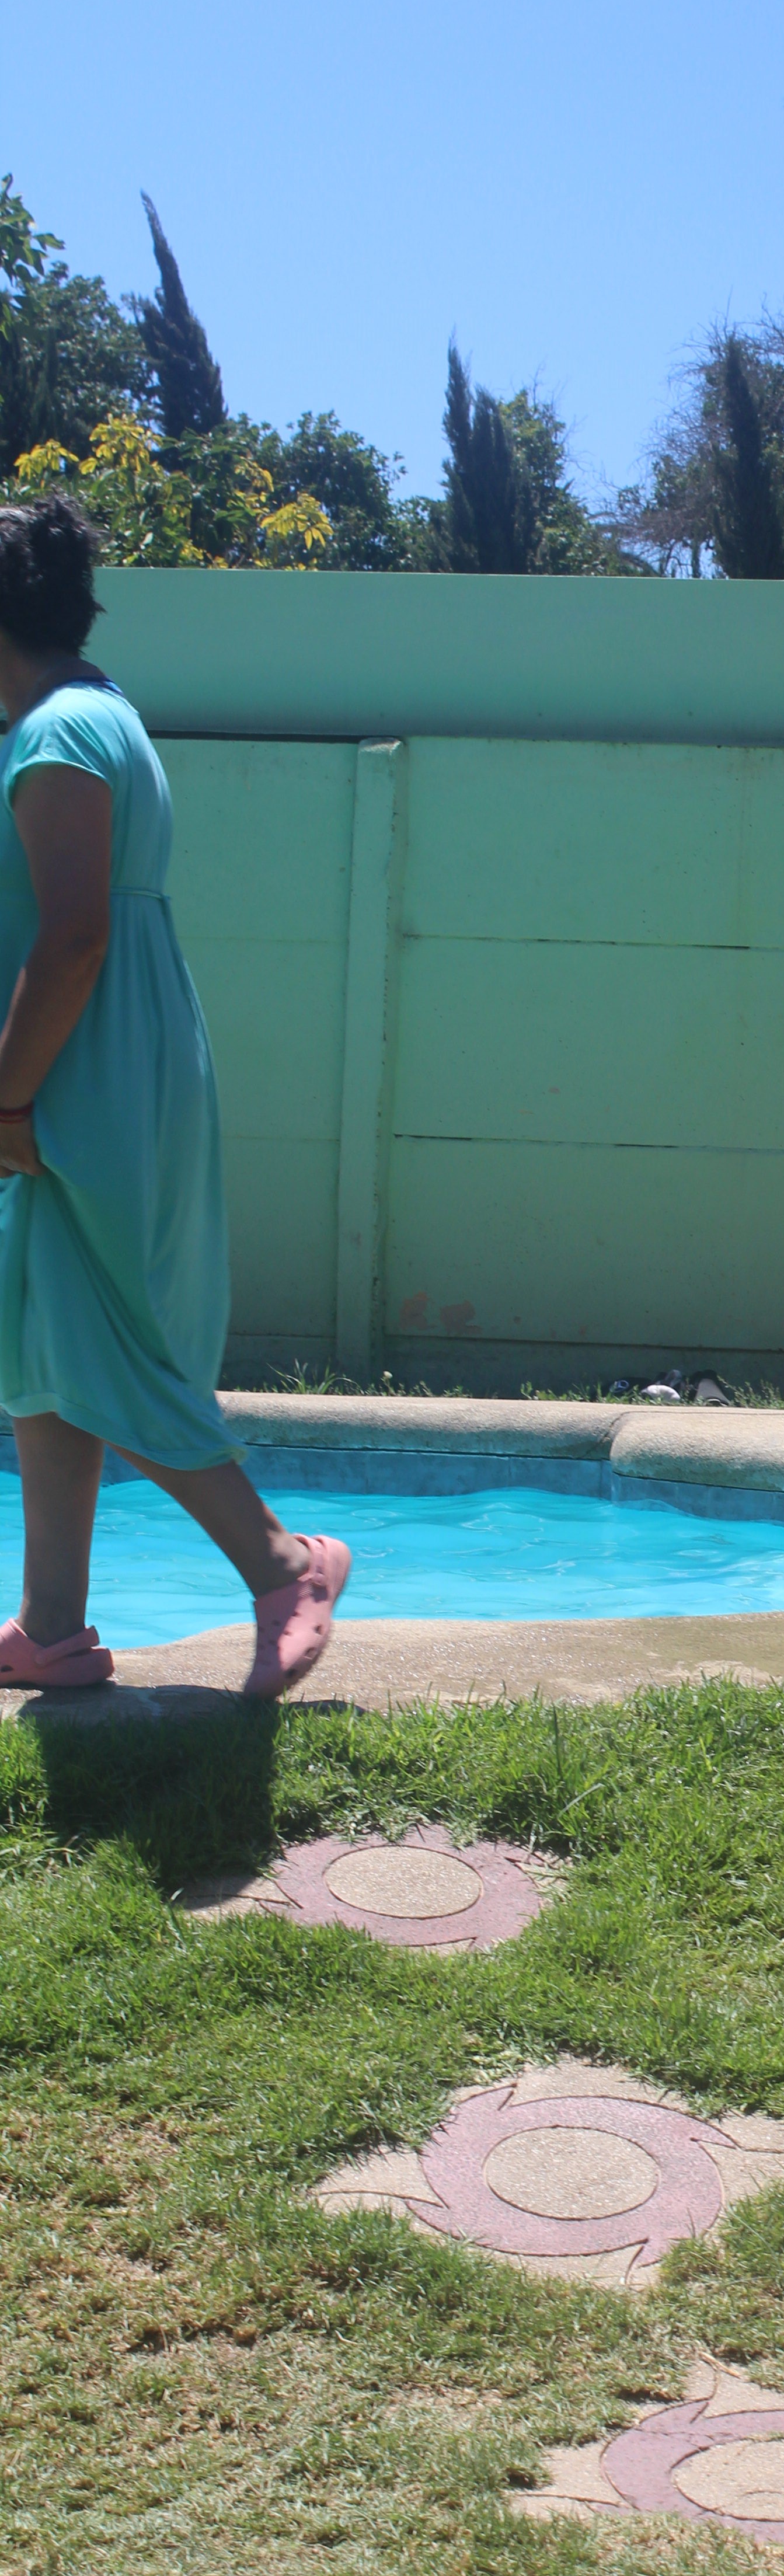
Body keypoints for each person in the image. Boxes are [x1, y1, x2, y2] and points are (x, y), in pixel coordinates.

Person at [0, 496, 347, 1696]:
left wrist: (7, 1102)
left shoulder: (56, 736)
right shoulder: (99, 716)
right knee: (46, 1331)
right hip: (114, 1054)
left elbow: (73, 940)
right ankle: (51, 1627)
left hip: (80, 1066)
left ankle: (285, 1563)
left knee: (106, 1337)